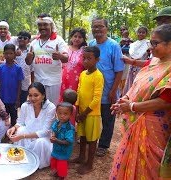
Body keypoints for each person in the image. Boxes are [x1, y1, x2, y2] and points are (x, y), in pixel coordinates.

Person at [110, 24, 171, 179]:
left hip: (154, 127)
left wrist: (131, 106)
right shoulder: (153, 62)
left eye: (155, 43)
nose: (150, 47)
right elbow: (137, 86)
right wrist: (126, 99)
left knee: (150, 166)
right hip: (138, 120)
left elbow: (165, 101)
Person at [89, 18, 124, 157]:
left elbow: (119, 70)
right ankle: (92, 140)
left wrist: (113, 90)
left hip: (108, 89)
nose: (97, 29)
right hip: (94, 90)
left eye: (100, 26)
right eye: (94, 27)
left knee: (108, 119)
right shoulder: (92, 44)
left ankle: (103, 145)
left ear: (106, 29)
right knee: (94, 116)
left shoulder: (114, 46)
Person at [6, 82, 56, 169]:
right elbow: (20, 122)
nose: (32, 98)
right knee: (20, 130)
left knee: (40, 142)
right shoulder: (25, 105)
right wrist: (13, 128)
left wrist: (22, 136)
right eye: (30, 95)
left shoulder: (50, 107)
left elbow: (45, 132)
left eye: (36, 95)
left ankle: (35, 162)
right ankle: (21, 157)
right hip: (28, 135)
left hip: (43, 138)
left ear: (43, 95)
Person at [71, 46, 104, 174]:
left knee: (92, 139)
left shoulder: (98, 76)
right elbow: (79, 92)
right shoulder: (83, 74)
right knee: (83, 136)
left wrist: (85, 113)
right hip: (82, 113)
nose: (85, 61)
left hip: (92, 114)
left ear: (97, 59)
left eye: (89, 58)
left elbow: (96, 98)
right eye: (84, 58)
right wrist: (78, 110)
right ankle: (81, 157)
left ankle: (89, 164)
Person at [25, 13, 68, 105]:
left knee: (52, 107)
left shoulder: (58, 40)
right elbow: (28, 62)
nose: (42, 27)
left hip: (53, 82)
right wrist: (28, 57)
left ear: (51, 25)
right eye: (40, 25)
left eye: (45, 24)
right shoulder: (34, 43)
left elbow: (66, 59)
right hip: (38, 81)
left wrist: (60, 56)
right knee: (38, 107)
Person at [0, 44, 24, 126]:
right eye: (6, 53)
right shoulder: (0, 67)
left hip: (13, 98)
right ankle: (4, 134)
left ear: (15, 54)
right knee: (3, 117)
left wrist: (18, 98)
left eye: (11, 53)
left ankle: (12, 134)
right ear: (4, 54)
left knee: (14, 117)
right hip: (3, 97)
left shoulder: (18, 68)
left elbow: (19, 84)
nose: (8, 55)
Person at [59, 28, 87, 102]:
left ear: (83, 39)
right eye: (75, 36)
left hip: (77, 81)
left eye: (80, 37)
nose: (77, 39)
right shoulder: (64, 49)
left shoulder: (85, 51)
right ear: (71, 38)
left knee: (74, 101)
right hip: (62, 80)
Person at [121, 26, 149, 95]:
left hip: (142, 67)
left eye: (143, 32)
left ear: (146, 34)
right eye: (140, 32)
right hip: (132, 68)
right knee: (130, 83)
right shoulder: (133, 45)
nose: (141, 34)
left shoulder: (148, 44)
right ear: (137, 33)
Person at [50, 102, 75, 179]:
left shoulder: (69, 128)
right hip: (56, 148)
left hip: (64, 150)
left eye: (65, 114)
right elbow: (53, 130)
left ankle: (61, 176)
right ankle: (57, 172)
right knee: (55, 160)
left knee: (62, 163)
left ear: (70, 115)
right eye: (59, 113)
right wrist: (53, 135)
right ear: (56, 113)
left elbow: (68, 141)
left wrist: (56, 140)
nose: (62, 116)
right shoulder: (56, 123)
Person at [15, 30, 34, 106]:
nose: (22, 39)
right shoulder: (13, 50)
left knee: (23, 104)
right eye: (20, 37)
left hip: (25, 83)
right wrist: (14, 55)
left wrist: (32, 84)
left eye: (25, 38)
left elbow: (32, 70)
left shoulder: (31, 52)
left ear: (29, 40)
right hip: (13, 82)